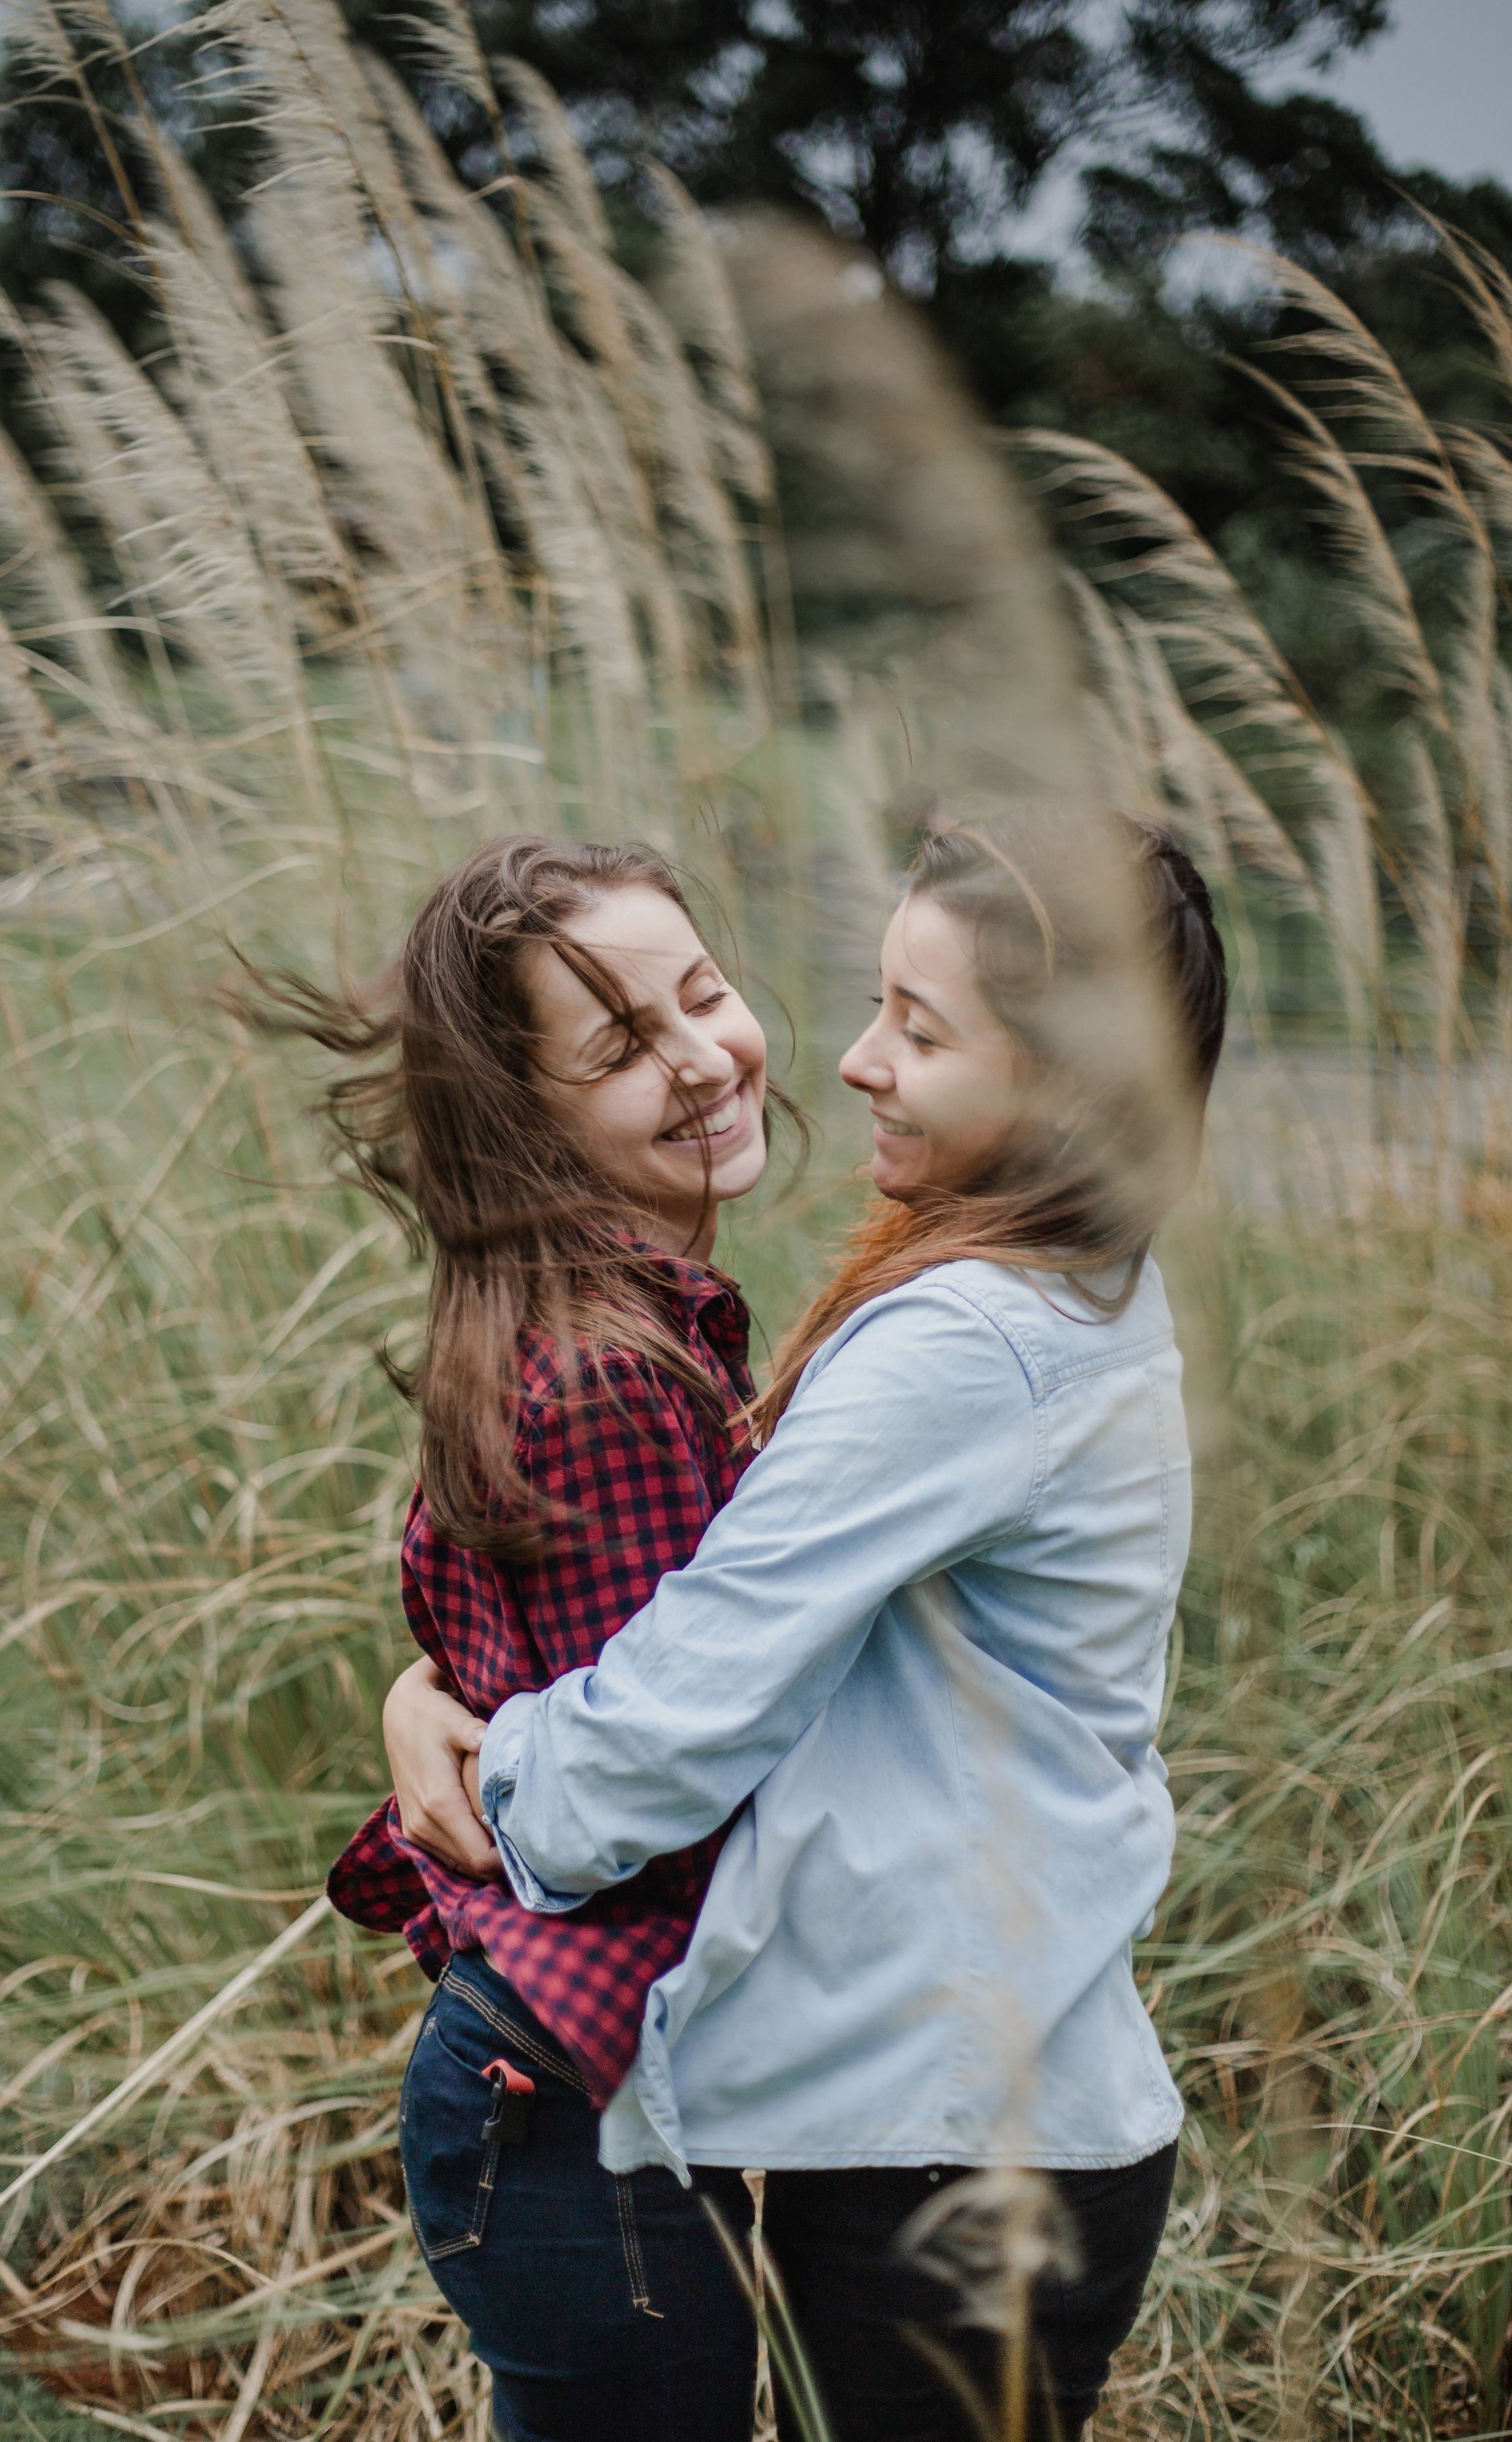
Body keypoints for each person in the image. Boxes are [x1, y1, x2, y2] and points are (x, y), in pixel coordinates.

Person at [385, 805, 1229, 2442]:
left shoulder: (967, 1345)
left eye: (917, 1028)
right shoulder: (1041, 1285)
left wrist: (475, 1785)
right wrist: (434, 1691)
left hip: (975, 2132)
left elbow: (660, 1731)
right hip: (952, 2100)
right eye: (871, 1002)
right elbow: (690, 1620)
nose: (849, 1061)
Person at [240, 834, 802, 2440]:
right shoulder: (616, 1367)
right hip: (559, 2105)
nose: (702, 1056)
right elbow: (659, 1758)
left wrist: (423, 1697)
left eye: (703, 994)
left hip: (550, 2090)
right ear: (524, 1115)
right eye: (625, 1045)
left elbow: (550, 1673)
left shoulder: (587, 1318)